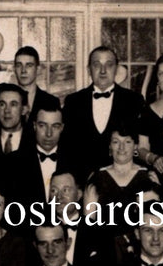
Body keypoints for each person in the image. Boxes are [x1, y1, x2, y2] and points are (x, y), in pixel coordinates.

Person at [60, 45, 146, 178]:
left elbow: (137, 145)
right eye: (97, 65)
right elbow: (66, 148)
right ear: (89, 70)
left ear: (116, 69)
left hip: (121, 181)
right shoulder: (73, 101)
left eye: (109, 65)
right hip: (82, 180)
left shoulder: (134, 100)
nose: (103, 71)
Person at [4, 98, 80, 208]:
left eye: (55, 126)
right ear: (34, 126)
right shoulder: (12, 162)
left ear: (62, 128)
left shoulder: (77, 161)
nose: (48, 133)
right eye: (42, 125)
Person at [83, 124, 160, 226]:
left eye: (127, 142)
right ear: (110, 146)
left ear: (135, 146)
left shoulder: (149, 176)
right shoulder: (96, 177)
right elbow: (88, 224)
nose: (121, 147)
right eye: (116, 142)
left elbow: (156, 220)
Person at [0, 83, 29, 161]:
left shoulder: (35, 140)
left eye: (13, 104)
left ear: (23, 110)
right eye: (2, 104)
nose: (7, 110)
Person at [12, 45, 60, 113]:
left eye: (29, 65)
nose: (23, 70)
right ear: (14, 69)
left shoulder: (51, 101)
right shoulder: (5, 101)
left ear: (38, 69)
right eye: (19, 65)